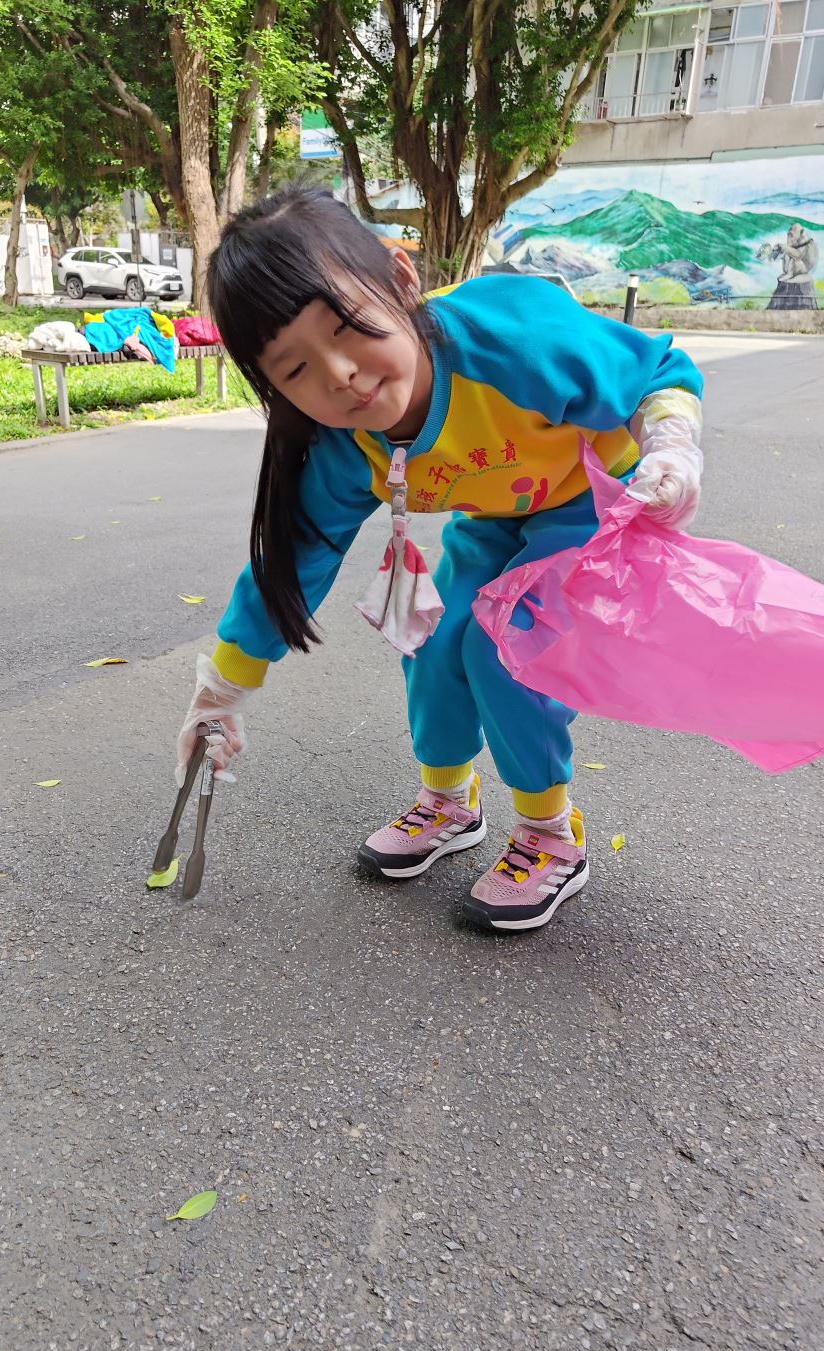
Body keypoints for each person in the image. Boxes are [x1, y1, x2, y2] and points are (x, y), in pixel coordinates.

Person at [175, 187, 704, 932]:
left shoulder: (511, 335)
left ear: (399, 278)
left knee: (503, 646)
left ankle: (551, 835)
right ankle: (450, 802)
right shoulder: (346, 441)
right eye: (295, 370)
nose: (340, 375)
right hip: (496, 515)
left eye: (346, 326)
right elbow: (295, 559)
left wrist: (672, 446)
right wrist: (220, 693)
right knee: (429, 635)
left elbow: (658, 368)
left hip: (590, 502)